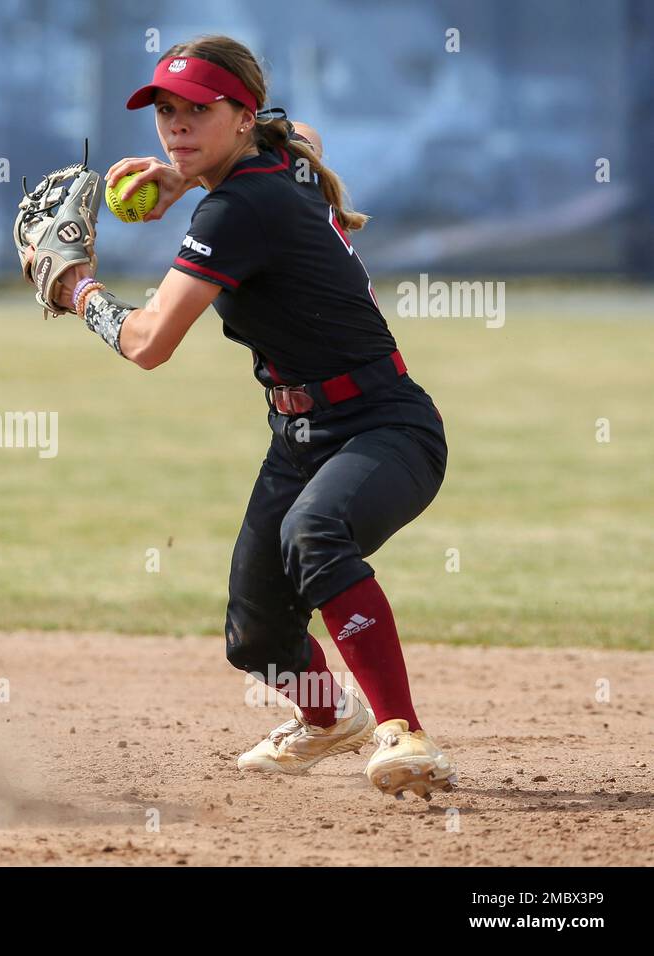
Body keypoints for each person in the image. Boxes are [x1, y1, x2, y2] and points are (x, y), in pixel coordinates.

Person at [39, 35, 455, 799]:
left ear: (241, 114)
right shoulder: (279, 158)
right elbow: (304, 137)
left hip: (386, 428)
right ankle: (330, 720)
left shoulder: (241, 207)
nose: (176, 125)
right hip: (298, 436)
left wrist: (76, 291)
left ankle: (404, 732)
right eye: (167, 112)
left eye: (198, 110)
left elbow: (149, 343)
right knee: (257, 636)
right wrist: (183, 175)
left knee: (315, 534)